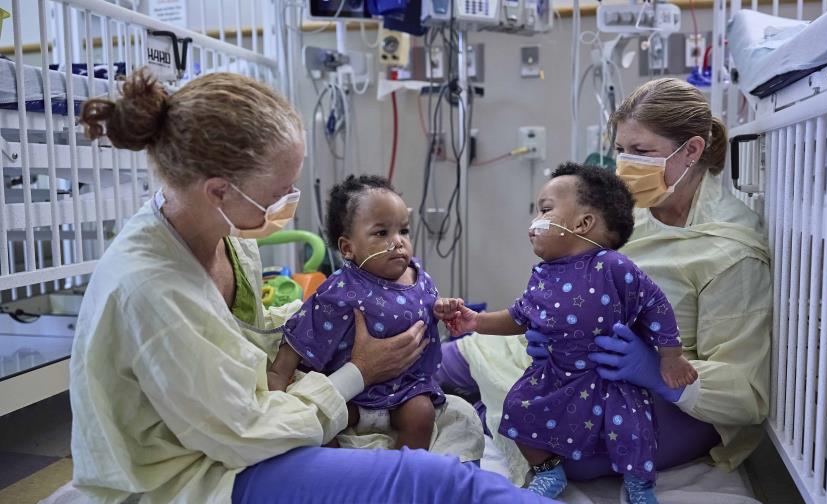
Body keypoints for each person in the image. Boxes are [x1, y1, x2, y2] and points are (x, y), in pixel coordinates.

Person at [70, 69, 554, 503]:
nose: (290, 205)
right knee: (432, 481)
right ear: (218, 190)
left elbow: (240, 342)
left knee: (452, 410)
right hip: (194, 473)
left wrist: (326, 340)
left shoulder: (227, 237)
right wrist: (357, 371)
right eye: (280, 193)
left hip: (235, 424)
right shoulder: (152, 290)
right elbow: (242, 433)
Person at [436, 77, 772, 489]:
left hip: (667, 396)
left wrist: (653, 368)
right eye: (621, 150)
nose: (626, 165)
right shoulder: (635, 214)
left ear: (692, 151)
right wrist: (546, 326)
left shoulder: (731, 252)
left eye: (642, 151)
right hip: (574, 360)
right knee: (439, 361)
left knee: (560, 452)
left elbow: (746, 394)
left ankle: (474, 412)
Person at [435, 164, 696, 501]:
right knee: (517, 407)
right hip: (555, 376)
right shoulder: (543, 275)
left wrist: (670, 358)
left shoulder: (612, 266)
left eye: (544, 210)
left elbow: (656, 305)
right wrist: (477, 322)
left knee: (632, 429)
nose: (533, 222)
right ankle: (548, 470)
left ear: (582, 223)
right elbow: (519, 316)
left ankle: (639, 484)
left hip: (610, 380)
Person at [270, 175, 445, 450]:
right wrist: (279, 376)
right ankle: (342, 477)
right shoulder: (341, 288)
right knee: (320, 425)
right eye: (381, 233)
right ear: (348, 248)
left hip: (403, 390)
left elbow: (428, 309)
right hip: (351, 393)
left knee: (422, 415)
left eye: (404, 230)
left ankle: (408, 475)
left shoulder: (418, 276)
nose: (398, 242)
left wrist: (444, 309)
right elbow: (304, 329)